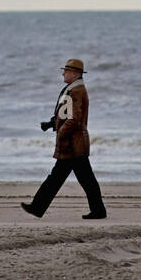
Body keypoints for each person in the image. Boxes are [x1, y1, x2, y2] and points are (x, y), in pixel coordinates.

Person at [21, 58, 107, 219]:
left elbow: (73, 119)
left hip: (73, 144)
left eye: (66, 71)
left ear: (75, 74)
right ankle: (98, 210)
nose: (63, 73)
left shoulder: (76, 91)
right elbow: (64, 114)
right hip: (74, 143)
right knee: (84, 179)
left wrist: (61, 134)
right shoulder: (72, 89)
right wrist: (51, 123)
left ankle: (37, 207)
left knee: (60, 178)